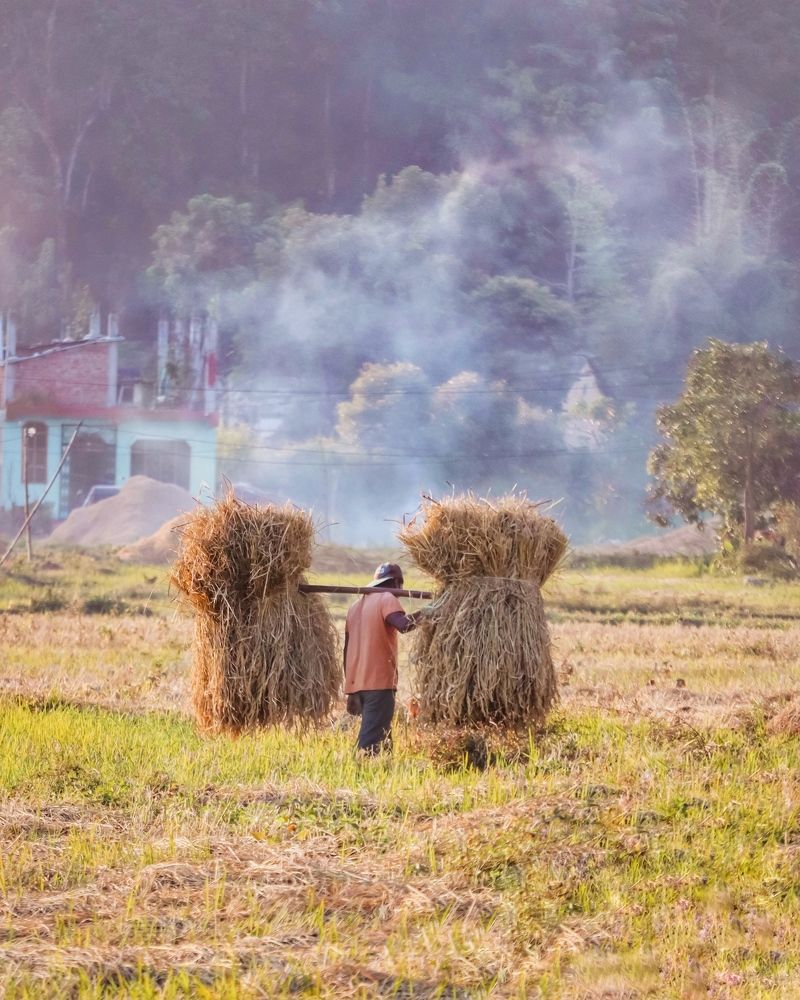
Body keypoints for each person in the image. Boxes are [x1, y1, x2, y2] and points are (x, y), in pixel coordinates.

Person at [343, 562, 421, 755]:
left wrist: (350, 688)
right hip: (378, 681)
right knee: (371, 739)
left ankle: (384, 769)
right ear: (396, 582)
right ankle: (361, 771)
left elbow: (346, 649)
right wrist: (428, 613)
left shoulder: (354, 607)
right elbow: (403, 625)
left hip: (357, 682)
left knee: (381, 732)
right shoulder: (387, 598)